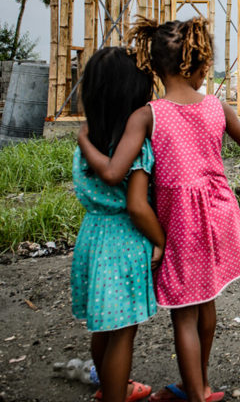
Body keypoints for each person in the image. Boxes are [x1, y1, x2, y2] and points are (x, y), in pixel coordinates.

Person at [78, 17, 240, 402]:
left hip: (179, 220)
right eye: (206, 66)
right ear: (195, 66)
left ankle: (194, 392)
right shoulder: (217, 107)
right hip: (217, 214)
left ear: (160, 66)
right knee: (207, 300)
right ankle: (199, 385)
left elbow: (115, 171)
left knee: (184, 312)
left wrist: (84, 141)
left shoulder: (146, 115)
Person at [72, 47, 164, 402]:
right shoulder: (135, 148)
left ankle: (108, 388)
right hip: (122, 242)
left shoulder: (87, 142)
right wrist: (159, 240)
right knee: (123, 333)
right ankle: (116, 392)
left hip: (92, 237)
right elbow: (137, 207)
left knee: (103, 325)